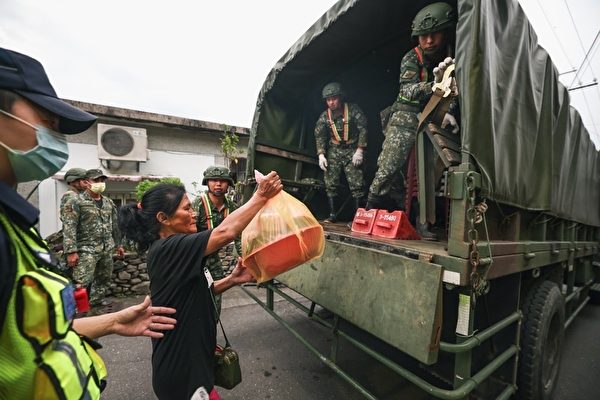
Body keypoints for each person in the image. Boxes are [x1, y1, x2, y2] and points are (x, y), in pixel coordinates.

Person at [0, 47, 176, 400]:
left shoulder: (12, 221)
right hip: (86, 250)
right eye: (45, 117)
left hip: (104, 249)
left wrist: (111, 321)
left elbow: (26, 335)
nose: (55, 132)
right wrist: (75, 251)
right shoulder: (59, 205)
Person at [119, 172, 283, 400]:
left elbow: (201, 291)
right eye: (186, 209)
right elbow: (225, 233)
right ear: (163, 218)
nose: (194, 213)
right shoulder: (168, 248)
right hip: (183, 374)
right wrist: (261, 195)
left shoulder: (176, 250)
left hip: (194, 367)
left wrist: (231, 280)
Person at [366, 2, 459, 239]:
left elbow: (456, 89)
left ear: (445, 31)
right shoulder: (411, 57)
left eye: (433, 34)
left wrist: (450, 109)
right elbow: (407, 91)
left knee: (426, 172)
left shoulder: (453, 55)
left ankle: (422, 221)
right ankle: (367, 212)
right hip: (405, 115)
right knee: (388, 166)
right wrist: (433, 86)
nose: (428, 41)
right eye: (423, 36)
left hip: (434, 116)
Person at [62, 167, 125, 309]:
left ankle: (96, 302)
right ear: (85, 182)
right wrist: (71, 251)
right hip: (86, 249)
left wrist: (119, 245)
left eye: (102, 180)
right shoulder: (76, 201)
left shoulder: (108, 202)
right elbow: (69, 227)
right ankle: (75, 308)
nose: (100, 183)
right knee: (81, 281)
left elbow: (115, 225)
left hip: (106, 248)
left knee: (104, 278)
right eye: (96, 180)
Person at [314, 82, 368, 222]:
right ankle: (332, 215)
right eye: (328, 100)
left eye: (334, 98)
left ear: (340, 98)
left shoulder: (353, 110)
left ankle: (359, 217)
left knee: (357, 184)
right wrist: (321, 155)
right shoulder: (325, 116)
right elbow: (320, 135)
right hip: (334, 150)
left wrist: (360, 150)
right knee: (330, 183)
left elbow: (363, 128)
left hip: (352, 150)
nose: (331, 102)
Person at [192, 165, 242, 313]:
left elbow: (239, 235)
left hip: (213, 260)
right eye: (213, 180)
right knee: (193, 300)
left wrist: (245, 257)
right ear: (207, 183)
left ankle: (211, 328)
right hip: (194, 258)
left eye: (222, 180)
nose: (218, 184)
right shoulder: (197, 205)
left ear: (229, 184)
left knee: (215, 301)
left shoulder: (232, 207)